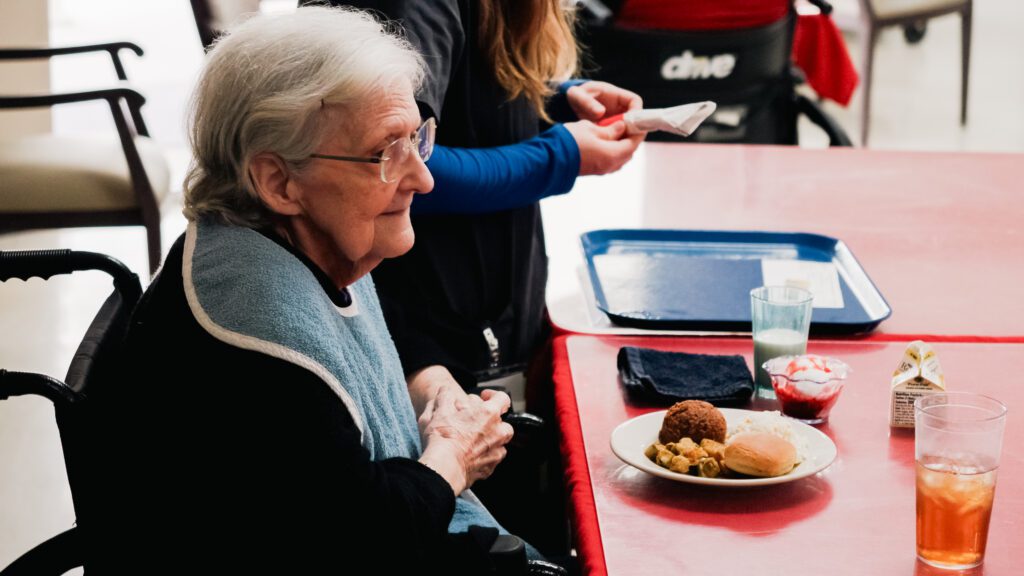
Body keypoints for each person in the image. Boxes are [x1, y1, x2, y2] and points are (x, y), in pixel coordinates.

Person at [88, 7, 527, 573]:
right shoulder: (254, 334)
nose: (423, 176)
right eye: (385, 151)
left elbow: (372, 327)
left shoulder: (281, 245)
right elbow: (367, 537)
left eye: (417, 137)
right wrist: (453, 455)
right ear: (278, 182)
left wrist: (436, 391)